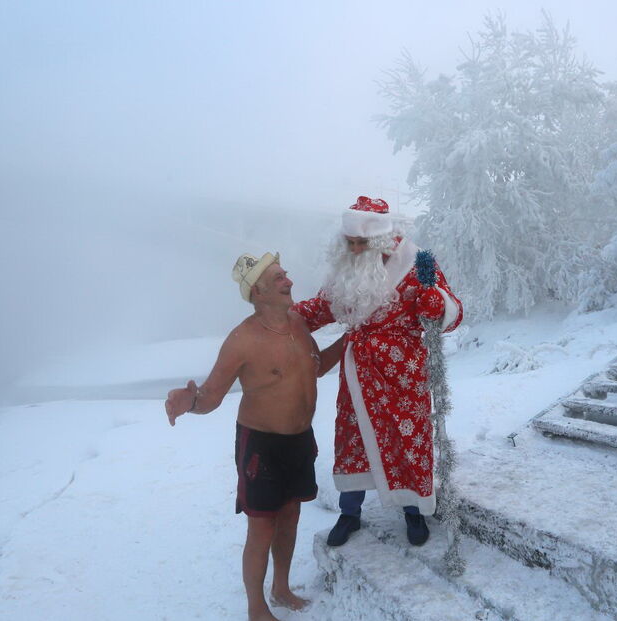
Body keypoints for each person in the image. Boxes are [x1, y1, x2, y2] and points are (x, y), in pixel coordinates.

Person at [165, 252, 342, 621]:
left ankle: (281, 588)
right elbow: (211, 397)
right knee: (262, 527)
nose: (289, 281)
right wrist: (189, 403)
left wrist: (349, 342)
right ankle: (256, 608)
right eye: (278, 278)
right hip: (260, 445)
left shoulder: (298, 324)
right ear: (258, 290)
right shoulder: (242, 339)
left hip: (299, 439)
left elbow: (317, 368)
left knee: (291, 516)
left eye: (286, 274)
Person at [292, 196, 463, 548]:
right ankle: (350, 512)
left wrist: (437, 306)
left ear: (382, 240)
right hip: (360, 370)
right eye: (350, 242)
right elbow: (323, 307)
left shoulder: (419, 264)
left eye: (361, 243)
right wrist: (284, 318)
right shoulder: (348, 269)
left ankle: (414, 511)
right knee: (352, 437)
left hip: (405, 372)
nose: (354, 248)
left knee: (408, 437)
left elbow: (452, 311)